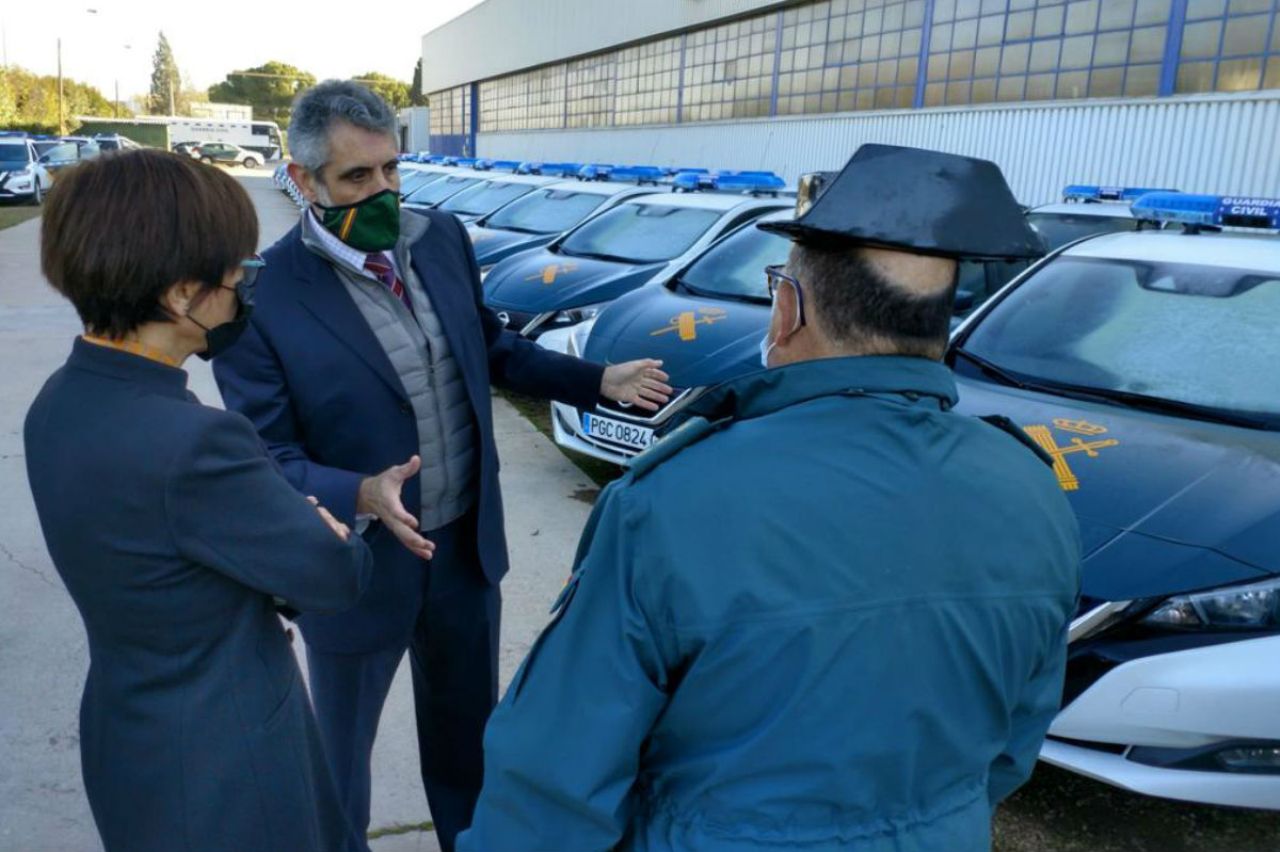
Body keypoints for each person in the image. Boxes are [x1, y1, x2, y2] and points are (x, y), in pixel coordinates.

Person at [456, 144, 1082, 852]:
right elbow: (1012, 743)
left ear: (786, 309)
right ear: (936, 327)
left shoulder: (674, 502)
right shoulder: (1032, 488)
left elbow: (555, 781)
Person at [211, 80, 672, 852]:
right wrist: (358, 492)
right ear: (302, 180)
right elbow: (267, 456)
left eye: (392, 169)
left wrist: (596, 380)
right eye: (357, 177)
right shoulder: (264, 296)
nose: (383, 191)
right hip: (355, 568)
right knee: (338, 768)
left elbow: (488, 347)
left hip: (462, 553)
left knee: (468, 752)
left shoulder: (441, 240)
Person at [23, 149, 374, 852]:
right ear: (184, 296)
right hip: (228, 763)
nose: (244, 287)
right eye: (239, 272)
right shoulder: (198, 443)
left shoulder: (58, 402)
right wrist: (322, 527)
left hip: (131, 739)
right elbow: (333, 575)